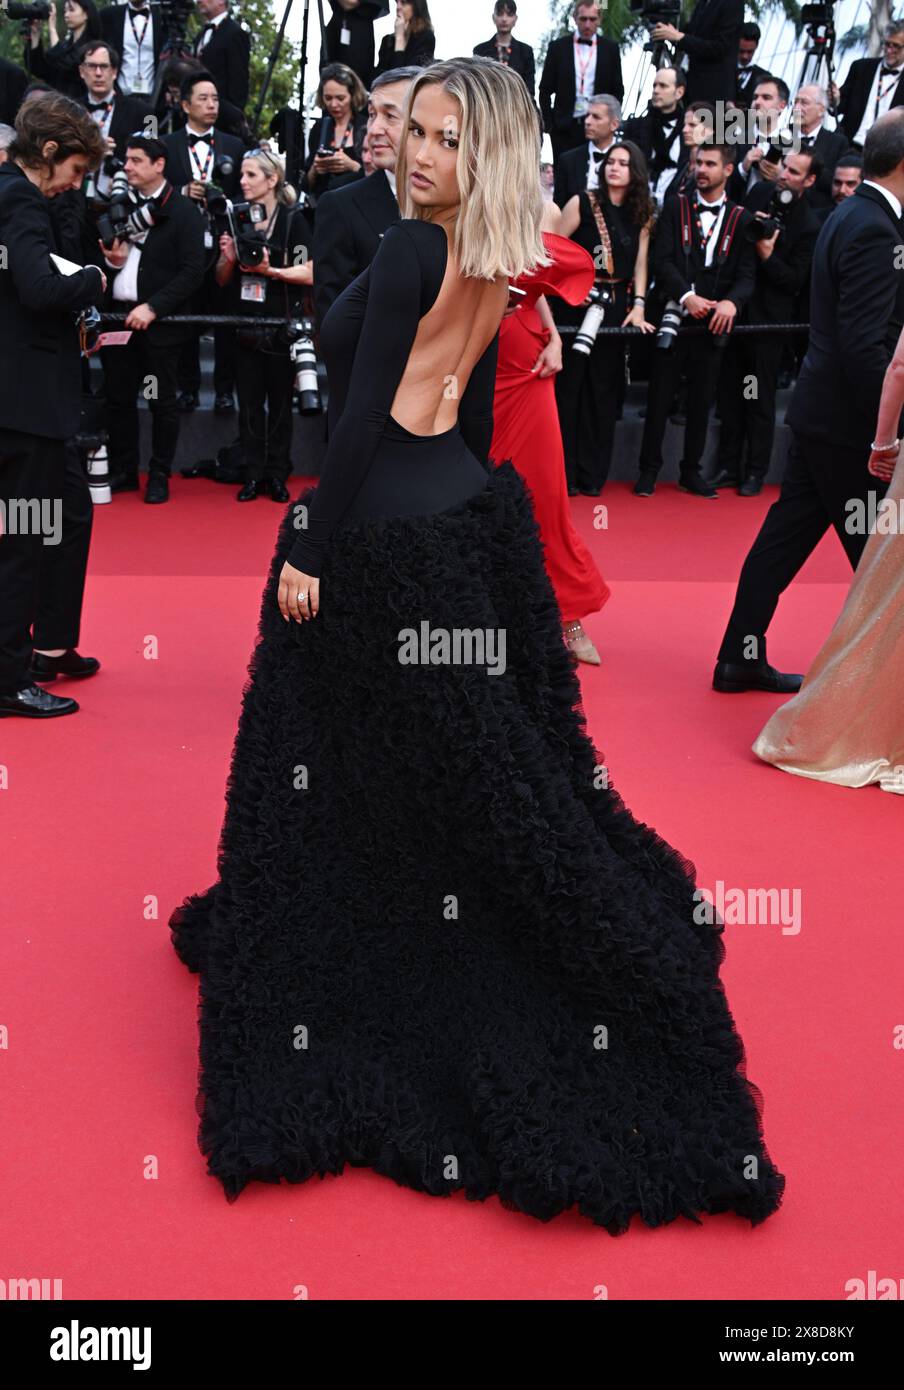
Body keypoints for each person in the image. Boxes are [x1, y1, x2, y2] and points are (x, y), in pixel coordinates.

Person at [168, 56, 785, 1230]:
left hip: (381, 534)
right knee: (454, 765)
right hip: (463, 516)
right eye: (418, 132)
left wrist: (309, 544)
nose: (419, 152)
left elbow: (354, 422)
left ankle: (350, 952)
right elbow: (448, 408)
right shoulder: (494, 253)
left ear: (482, 152)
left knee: (336, 758)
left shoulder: (407, 251)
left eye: (446, 139)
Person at [713, 109, 904, 694]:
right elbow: (865, 347)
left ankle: (738, 657)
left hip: (822, 416)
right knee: (879, 565)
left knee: (782, 543)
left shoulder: (850, 214)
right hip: (852, 431)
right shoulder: (874, 227)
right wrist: (886, 435)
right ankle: (874, 694)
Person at [752, 322, 904, 791]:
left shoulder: (840, 242)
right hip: (826, 419)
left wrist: (883, 441)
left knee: (887, 597)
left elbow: (899, 368)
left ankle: (856, 726)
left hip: (827, 417)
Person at [0, 92, 107, 720]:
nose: (73, 185)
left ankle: (33, 654)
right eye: (73, 171)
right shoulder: (19, 196)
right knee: (21, 542)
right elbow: (38, 288)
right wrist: (92, 280)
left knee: (46, 524)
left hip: (22, 403)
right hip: (25, 408)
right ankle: (11, 680)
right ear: (47, 152)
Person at [493, 198, 609, 664]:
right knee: (477, 496)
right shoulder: (456, 194)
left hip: (527, 368)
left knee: (546, 496)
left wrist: (556, 337)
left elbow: (537, 285)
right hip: (472, 365)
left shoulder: (541, 207)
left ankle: (568, 617)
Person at [635, 143, 756, 498]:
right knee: (659, 398)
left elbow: (747, 275)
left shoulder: (741, 217)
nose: (701, 169)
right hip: (674, 316)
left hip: (714, 326)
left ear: (728, 170)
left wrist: (732, 303)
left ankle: (691, 471)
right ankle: (648, 471)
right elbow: (662, 261)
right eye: (697, 163)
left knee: (703, 400)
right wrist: (688, 296)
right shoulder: (675, 207)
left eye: (710, 164)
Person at [99, 133, 206, 502]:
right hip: (117, 319)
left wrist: (154, 307)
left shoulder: (184, 211)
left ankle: (159, 474)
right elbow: (101, 257)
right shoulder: (117, 206)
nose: (126, 167)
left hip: (160, 325)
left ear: (158, 165)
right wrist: (110, 264)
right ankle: (125, 471)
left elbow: (193, 271)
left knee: (162, 401)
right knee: (119, 399)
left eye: (135, 160)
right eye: (126, 160)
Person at [711, 148, 820, 496]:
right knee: (731, 393)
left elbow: (796, 282)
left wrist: (768, 256)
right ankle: (727, 465)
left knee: (758, 398)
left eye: (794, 171)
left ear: (810, 180)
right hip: (737, 313)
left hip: (770, 325)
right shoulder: (760, 192)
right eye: (784, 166)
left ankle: (755, 471)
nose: (784, 174)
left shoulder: (809, 224)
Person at [556, 140, 655, 495]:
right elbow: (550, 249)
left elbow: (641, 263)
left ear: (635, 172)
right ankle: (564, 476)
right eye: (610, 161)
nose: (613, 167)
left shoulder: (641, 212)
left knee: (603, 392)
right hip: (575, 305)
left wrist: (639, 304)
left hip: (615, 309)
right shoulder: (581, 202)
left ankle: (592, 476)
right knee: (569, 391)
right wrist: (571, 288)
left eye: (623, 163)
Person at [215, 148, 314, 501]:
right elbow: (222, 278)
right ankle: (253, 473)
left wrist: (270, 270)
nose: (242, 181)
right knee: (250, 405)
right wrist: (228, 258)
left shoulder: (292, 220)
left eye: (251, 175)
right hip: (243, 323)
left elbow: (311, 272)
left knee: (280, 406)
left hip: (281, 325)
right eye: (241, 174)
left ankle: (277, 473)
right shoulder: (234, 218)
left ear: (272, 180)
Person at [312, 67, 421, 328]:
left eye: (389, 115)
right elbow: (334, 322)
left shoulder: (459, 202)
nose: (372, 129)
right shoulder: (340, 206)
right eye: (372, 115)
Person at [163, 69, 244, 414]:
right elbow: (156, 191)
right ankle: (188, 388)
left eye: (215, 98)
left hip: (223, 241)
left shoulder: (235, 145)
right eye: (203, 98)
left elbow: (245, 192)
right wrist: (182, 192)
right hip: (182, 245)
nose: (212, 105)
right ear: (185, 104)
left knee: (226, 318)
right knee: (187, 319)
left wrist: (223, 200)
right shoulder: (165, 146)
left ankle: (225, 391)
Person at [539, 0, 623, 164]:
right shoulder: (558, 47)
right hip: (564, 126)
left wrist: (611, 122)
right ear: (575, 18)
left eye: (592, 19)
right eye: (583, 19)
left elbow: (617, 90)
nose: (587, 24)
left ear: (599, 20)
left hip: (598, 125)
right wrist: (550, 125)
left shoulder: (610, 49)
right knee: (564, 179)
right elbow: (545, 89)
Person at [76, 40, 151, 196]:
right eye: (92, 66)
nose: (98, 73)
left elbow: (154, 158)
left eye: (104, 66)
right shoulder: (69, 110)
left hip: (124, 196)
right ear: (82, 71)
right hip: (76, 195)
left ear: (115, 72)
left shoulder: (145, 112)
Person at [650, 0, 743, 106]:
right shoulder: (703, 3)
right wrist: (667, 31)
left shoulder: (732, 3)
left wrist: (679, 37)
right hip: (694, 88)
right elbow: (691, 36)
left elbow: (720, 47)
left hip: (716, 91)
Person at [621, 64, 686, 208]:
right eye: (654, 86)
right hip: (637, 205)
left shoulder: (688, 129)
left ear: (679, 92)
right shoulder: (635, 127)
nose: (656, 91)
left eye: (663, 86)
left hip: (674, 208)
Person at [301, 63, 368, 198]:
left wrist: (352, 166)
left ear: (352, 95)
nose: (333, 104)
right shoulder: (319, 127)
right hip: (323, 206)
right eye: (328, 98)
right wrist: (315, 168)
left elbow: (379, 177)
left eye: (340, 98)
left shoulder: (366, 126)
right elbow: (305, 185)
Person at [836, 21, 904, 149]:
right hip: (849, 146)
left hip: (885, 153)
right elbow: (839, 106)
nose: (889, 50)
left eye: (896, 46)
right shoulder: (861, 68)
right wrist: (835, 99)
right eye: (887, 44)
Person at [552, 91, 620, 208]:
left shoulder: (630, 160)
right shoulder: (568, 161)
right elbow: (558, 209)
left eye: (596, 117)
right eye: (587, 115)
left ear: (614, 124)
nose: (587, 122)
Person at [27, 0, 103, 101]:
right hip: (56, 108)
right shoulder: (65, 46)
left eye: (71, 10)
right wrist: (35, 34)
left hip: (79, 108)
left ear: (86, 14)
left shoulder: (94, 49)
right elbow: (40, 70)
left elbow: (67, 64)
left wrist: (52, 29)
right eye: (65, 11)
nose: (66, 15)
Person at [791, 84, 849, 212]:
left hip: (816, 213)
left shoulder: (837, 142)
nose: (797, 108)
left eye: (804, 103)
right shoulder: (783, 135)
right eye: (795, 102)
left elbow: (835, 181)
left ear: (821, 110)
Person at [192, 0, 250, 113]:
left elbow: (239, 80)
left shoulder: (235, 33)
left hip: (220, 114)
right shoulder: (201, 34)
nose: (199, 1)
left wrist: (232, 115)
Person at [99, 0, 162, 100]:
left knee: (150, 117)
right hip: (119, 96)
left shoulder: (162, 15)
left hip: (154, 98)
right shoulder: (109, 16)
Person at [473, 0, 535, 97]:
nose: (504, 19)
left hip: (517, 108)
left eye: (509, 14)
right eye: (500, 13)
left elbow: (529, 90)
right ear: (493, 17)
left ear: (515, 19)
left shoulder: (525, 51)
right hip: (488, 107)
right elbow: (476, 87)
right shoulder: (480, 50)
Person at [322, 1, 390, 90]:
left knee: (356, 84)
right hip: (337, 25)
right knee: (328, 77)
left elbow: (351, 2)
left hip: (359, 30)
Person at [374, 0, 436, 77]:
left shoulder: (425, 37)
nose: (398, 7)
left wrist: (399, 40)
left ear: (416, 7)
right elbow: (379, 76)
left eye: (404, 2)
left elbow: (407, 77)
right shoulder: (387, 40)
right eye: (397, 2)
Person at [815, 150, 863, 223]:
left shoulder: (872, 223)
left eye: (850, 184)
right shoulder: (815, 220)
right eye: (837, 183)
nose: (842, 190)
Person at [735, 21, 769, 109]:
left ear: (756, 46)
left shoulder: (765, 77)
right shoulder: (723, 70)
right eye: (741, 51)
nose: (745, 56)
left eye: (750, 52)